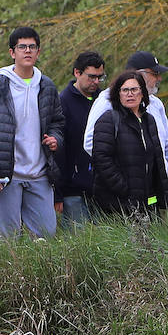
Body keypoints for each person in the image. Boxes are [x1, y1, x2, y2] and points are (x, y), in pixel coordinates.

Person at [0, 26, 65, 237]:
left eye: (32, 47)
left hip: (39, 173)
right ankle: (8, 273)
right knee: (7, 240)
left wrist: (55, 139)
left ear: (38, 52)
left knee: (46, 237)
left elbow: (58, 122)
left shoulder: (47, 86)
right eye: (22, 47)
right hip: (6, 176)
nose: (27, 51)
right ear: (12, 52)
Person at [84, 51, 168, 199]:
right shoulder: (107, 101)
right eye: (155, 73)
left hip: (152, 191)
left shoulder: (155, 104)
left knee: (154, 222)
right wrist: (121, 181)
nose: (159, 78)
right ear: (139, 74)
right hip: (119, 195)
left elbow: (167, 143)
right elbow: (91, 143)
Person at [90, 71, 168, 218]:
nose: (130, 94)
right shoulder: (108, 120)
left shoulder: (149, 120)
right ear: (118, 94)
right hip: (117, 204)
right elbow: (101, 159)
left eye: (134, 89)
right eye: (125, 90)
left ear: (142, 93)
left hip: (149, 202)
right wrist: (124, 188)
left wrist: (160, 192)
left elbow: (156, 160)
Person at [55, 50, 106, 224]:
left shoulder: (104, 101)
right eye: (91, 77)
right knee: (77, 240)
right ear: (77, 73)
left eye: (100, 77)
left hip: (101, 188)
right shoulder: (62, 102)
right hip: (72, 190)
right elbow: (59, 151)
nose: (96, 82)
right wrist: (58, 193)